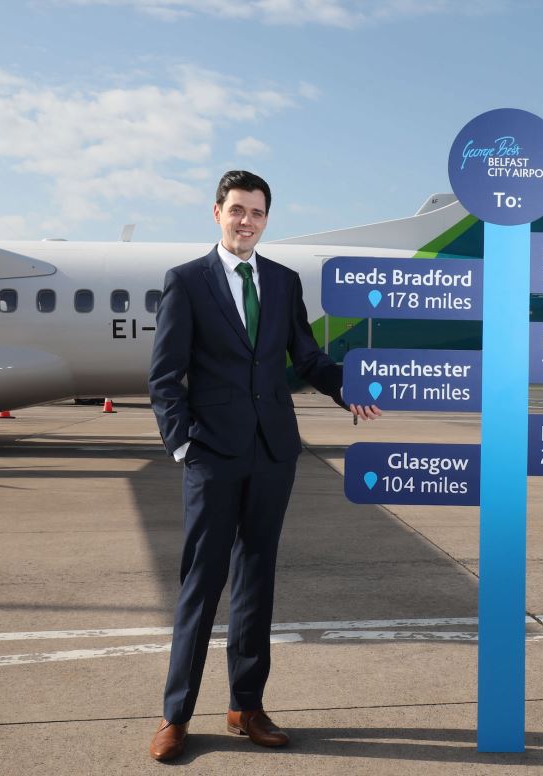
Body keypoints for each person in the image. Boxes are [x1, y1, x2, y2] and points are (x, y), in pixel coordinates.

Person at [147, 170, 380, 762]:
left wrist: (347, 387)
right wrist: (182, 444)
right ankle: (176, 714)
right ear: (217, 213)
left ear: (267, 219)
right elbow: (165, 376)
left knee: (257, 581)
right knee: (202, 584)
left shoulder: (281, 281)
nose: (246, 220)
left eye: (256, 212)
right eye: (237, 210)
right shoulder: (187, 282)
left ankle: (245, 705)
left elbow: (305, 356)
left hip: (273, 452)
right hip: (212, 455)